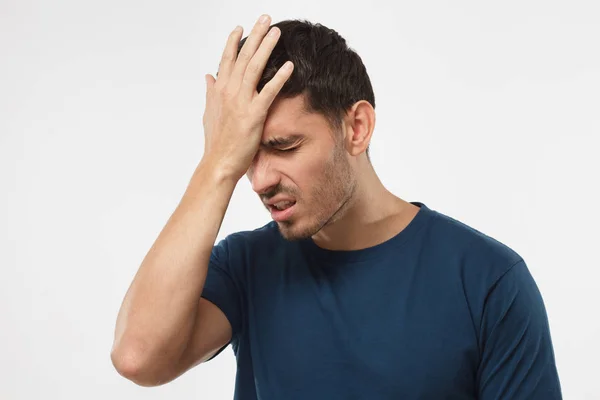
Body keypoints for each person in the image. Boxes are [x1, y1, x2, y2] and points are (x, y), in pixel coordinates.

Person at [110, 14, 563, 399]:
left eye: (284, 146)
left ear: (357, 127)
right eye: (246, 156)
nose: (260, 181)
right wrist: (217, 165)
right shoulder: (245, 266)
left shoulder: (487, 281)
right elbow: (137, 357)